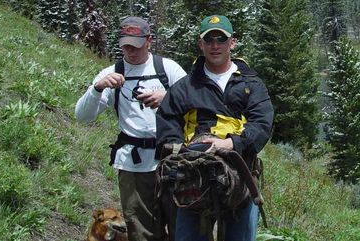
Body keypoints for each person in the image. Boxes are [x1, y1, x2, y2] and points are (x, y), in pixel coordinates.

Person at [155, 15, 274, 241]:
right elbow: (167, 124)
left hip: (241, 176)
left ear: (233, 42)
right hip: (192, 179)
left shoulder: (251, 83)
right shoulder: (184, 87)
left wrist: (230, 143)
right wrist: (187, 151)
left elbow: (262, 124)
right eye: (209, 40)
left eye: (221, 39)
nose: (215, 46)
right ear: (201, 44)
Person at [75, 16, 187, 241]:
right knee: (141, 231)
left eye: (135, 45)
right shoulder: (111, 73)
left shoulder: (167, 68)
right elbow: (82, 115)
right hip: (133, 165)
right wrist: (97, 88)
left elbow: (195, 102)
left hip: (174, 160)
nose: (130, 51)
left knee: (183, 226)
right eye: (125, 46)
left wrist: (168, 97)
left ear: (149, 41)